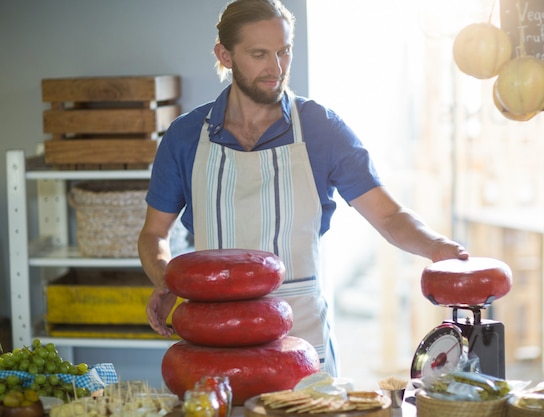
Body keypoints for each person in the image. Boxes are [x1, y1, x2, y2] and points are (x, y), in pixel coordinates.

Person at [138, 0, 469, 377]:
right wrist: (168, 281)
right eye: (259, 54)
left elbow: (390, 216)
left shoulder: (321, 129)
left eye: (284, 52)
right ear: (225, 55)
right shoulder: (185, 137)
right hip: (217, 342)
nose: (275, 69)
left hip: (302, 344)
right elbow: (153, 234)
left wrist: (436, 247)